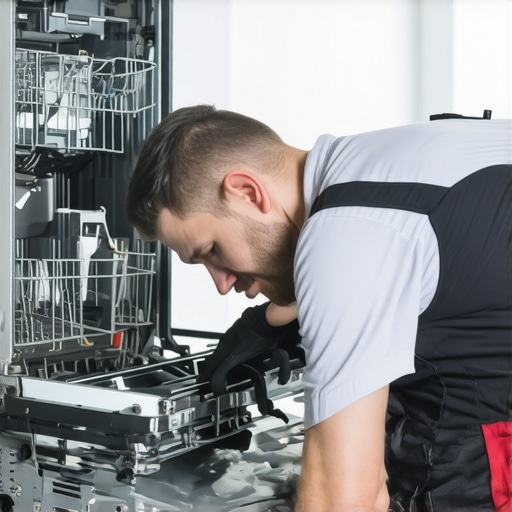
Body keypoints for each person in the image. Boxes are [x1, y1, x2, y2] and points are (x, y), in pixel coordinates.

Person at [125, 104, 512, 512]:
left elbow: (344, 501)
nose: (221, 284)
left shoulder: (345, 236)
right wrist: (277, 316)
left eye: (212, 251)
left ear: (247, 192)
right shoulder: (379, 167)